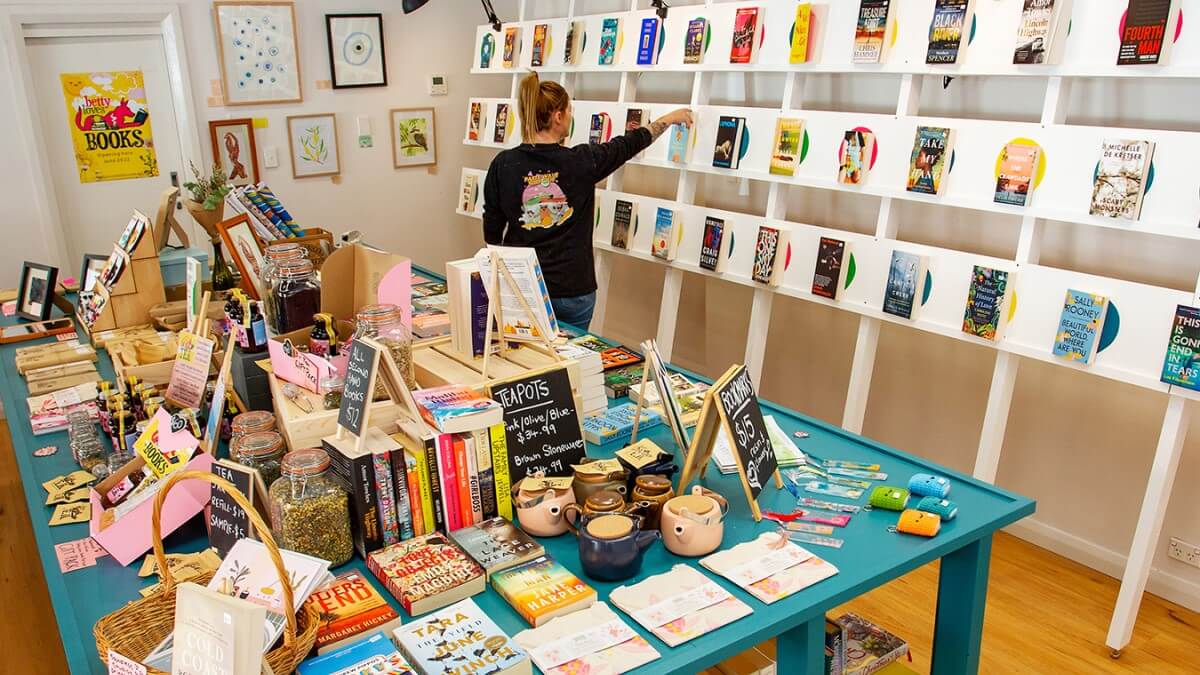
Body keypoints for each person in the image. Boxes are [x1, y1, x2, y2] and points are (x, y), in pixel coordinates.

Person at [482, 72, 693, 330]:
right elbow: (628, 144)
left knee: (525, 362)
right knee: (571, 363)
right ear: (558, 116)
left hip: (522, 286)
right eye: (569, 111)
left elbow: (492, 230)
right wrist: (667, 120)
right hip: (573, 289)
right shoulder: (581, 161)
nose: (570, 117)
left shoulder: (503, 165)